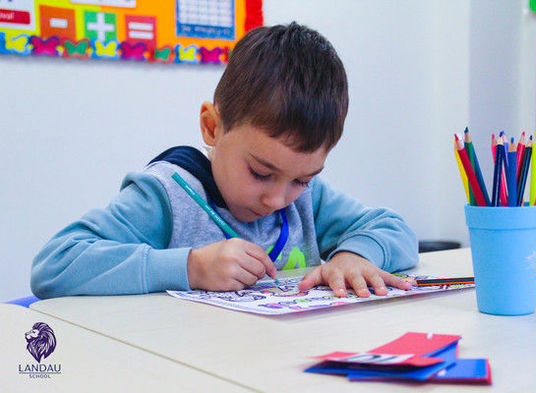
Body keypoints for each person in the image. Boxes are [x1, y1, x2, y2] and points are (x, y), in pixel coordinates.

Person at [31, 22, 418, 299]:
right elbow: (55, 264)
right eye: (261, 172)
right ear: (212, 128)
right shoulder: (166, 196)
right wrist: (191, 267)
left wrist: (354, 256)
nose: (279, 199)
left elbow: (394, 229)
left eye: (301, 179)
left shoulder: (306, 199)